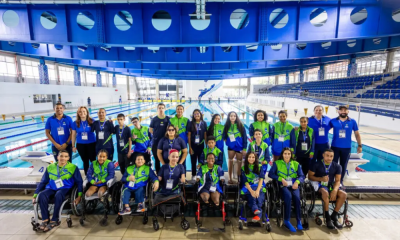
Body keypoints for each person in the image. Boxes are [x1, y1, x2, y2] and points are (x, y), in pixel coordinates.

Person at [32, 150, 83, 232]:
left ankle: (55, 219)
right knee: (42, 195)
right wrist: (35, 195)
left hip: (65, 188)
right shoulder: (50, 167)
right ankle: (45, 219)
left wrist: (79, 196)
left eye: (65, 156)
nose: (63, 158)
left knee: (59, 194)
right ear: (57, 157)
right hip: (51, 188)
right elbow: (43, 182)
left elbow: (79, 182)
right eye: (61, 156)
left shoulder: (73, 167)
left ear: (68, 158)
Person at [308, 149, 347, 230]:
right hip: (319, 184)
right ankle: (327, 216)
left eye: (331, 156)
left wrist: (335, 190)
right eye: (327, 156)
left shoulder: (337, 166)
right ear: (323, 155)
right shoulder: (316, 164)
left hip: (331, 185)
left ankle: (334, 215)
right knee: (325, 193)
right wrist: (321, 178)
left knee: (343, 194)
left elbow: (337, 180)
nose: (329, 158)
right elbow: (310, 176)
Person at [268, 147, 305, 232]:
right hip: (283, 185)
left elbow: (302, 176)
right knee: (288, 196)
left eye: (289, 154)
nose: (287, 155)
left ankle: (299, 221)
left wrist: (297, 182)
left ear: (291, 155)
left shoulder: (296, 164)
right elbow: (271, 174)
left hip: (294, 185)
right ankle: (287, 220)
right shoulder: (277, 163)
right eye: (285, 154)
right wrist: (281, 179)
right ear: (282, 155)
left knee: (297, 198)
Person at [329, 105, 362, 182]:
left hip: (346, 148)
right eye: (341, 110)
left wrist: (360, 145)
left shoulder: (352, 121)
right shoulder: (333, 121)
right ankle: (331, 180)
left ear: (348, 111)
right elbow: (324, 128)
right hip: (335, 147)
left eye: (345, 110)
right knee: (333, 165)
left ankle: (340, 182)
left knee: (343, 165)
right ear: (338, 111)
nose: (343, 112)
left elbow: (357, 134)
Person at [240, 152, 266, 222]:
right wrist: (252, 191)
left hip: (259, 187)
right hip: (248, 188)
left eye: (253, 157)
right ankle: (257, 212)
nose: (251, 159)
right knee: (255, 195)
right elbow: (245, 182)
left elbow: (261, 179)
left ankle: (255, 210)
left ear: (255, 158)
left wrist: (257, 191)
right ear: (246, 158)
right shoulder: (243, 168)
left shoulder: (260, 167)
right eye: (249, 157)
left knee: (258, 195)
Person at [223, 111, 247, 184]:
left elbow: (245, 138)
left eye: (234, 116)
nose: (233, 117)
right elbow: (224, 136)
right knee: (230, 161)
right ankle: (230, 177)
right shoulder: (227, 126)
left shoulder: (240, 126)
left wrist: (244, 148)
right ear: (229, 117)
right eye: (231, 116)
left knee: (239, 163)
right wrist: (228, 143)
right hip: (231, 147)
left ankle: (239, 178)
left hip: (240, 147)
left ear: (236, 117)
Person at [71, 106, 97, 175]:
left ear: (86, 113)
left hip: (91, 143)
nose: (82, 113)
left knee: (93, 160)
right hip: (80, 145)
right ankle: (87, 176)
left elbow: (99, 128)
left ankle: (96, 174)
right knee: (85, 161)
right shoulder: (75, 123)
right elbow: (73, 135)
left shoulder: (92, 121)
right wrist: (73, 146)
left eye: (84, 111)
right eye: (80, 111)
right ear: (78, 113)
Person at [150, 103, 170, 173]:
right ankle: (158, 174)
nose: (161, 109)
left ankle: (166, 173)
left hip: (165, 143)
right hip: (156, 143)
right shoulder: (154, 119)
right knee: (157, 159)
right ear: (157, 109)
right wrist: (156, 135)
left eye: (162, 108)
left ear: (165, 109)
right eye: (159, 108)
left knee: (166, 159)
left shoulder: (168, 119)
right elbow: (150, 129)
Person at [188, 109, 208, 180]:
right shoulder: (191, 123)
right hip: (193, 145)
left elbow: (205, 134)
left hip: (201, 145)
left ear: (200, 114)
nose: (196, 115)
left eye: (198, 113)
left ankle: (200, 175)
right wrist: (190, 147)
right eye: (195, 114)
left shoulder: (204, 123)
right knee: (193, 161)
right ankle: (193, 175)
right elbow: (189, 135)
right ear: (193, 115)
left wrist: (206, 146)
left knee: (201, 161)